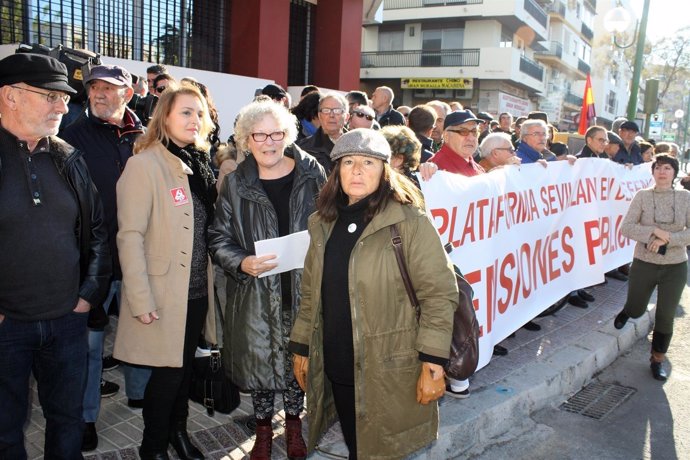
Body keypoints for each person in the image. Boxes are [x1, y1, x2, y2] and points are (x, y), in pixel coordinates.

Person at [288, 128, 457, 459]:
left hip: (392, 365)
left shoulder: (409, 221)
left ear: (385, 170)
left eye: (368, 162)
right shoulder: (321, 223)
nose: (357, 170)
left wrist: (434, 361)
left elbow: (439, 294)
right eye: (348, 161)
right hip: (339, 362)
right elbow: (311, 292)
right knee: (357, 445)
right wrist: (302, 345)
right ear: (336, 170)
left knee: (394, 450)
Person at [0, 52, 111, 459]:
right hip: (6, 327)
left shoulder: (67, 157)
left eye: (65, 97)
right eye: (50, 96)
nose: (64, 106)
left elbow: (97, 231)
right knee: (4, 430)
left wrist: (87, 295)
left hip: (67, 320)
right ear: (10, 96)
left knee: (67, 422)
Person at [208, 100, 326, 460]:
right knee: (260, 365)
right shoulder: (236, 183)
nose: (269, 142)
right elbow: (217, 237)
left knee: (298, 365)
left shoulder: (312, 173)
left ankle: (292, 427)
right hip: (256, 291)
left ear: (288, 135)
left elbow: (332, 219)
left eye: (276, 133)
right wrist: (241, 262)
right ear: (246, 139)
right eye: (259, 135)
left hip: (303, 288)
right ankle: (262, 431)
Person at [113, 84, 218, 460]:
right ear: (165, 117)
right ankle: (152, 447)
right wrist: (140, 298)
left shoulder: (201, 163)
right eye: (186, 112)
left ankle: (178, 433)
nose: (195, 119)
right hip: (163, 293)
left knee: (185, 371)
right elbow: (129, 236)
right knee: (166, 376)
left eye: (200, 113)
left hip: (196, 292)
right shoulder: (144, 164)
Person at [60, 63, 146, 451]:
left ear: (127, 94)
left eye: (109, 88)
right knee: (91, 345)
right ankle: (86, 417)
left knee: (141, 329)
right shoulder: (70, 136)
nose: (98, 94)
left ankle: (139, 395)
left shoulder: (144, 138)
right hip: (93, 262)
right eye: (94, 87)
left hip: (139, 257)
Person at [614, 154, 690, 381]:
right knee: (637, 309)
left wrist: (668, 238)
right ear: (653, 171)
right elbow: (626, 227)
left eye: (667, 168)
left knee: (666, 315)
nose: (662, 172)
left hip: (675, 266)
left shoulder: (686, 197)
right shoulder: (643, 196)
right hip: (644, 263)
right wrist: (653, 233)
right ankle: (629, 311)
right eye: (658, 168)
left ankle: (657, 359)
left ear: (674, 172)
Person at [296, 92, 349, 175]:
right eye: (326, 110)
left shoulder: (358, 147)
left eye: (337, 111)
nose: (331, 115)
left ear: (346, 117)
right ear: (319, 116)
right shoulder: (304, 149)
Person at [430, 109, 485, 176]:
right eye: (463, 131)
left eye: (474, 132)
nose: (471, 138)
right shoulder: (434, 168)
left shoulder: (479, 169)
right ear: (446, 136)